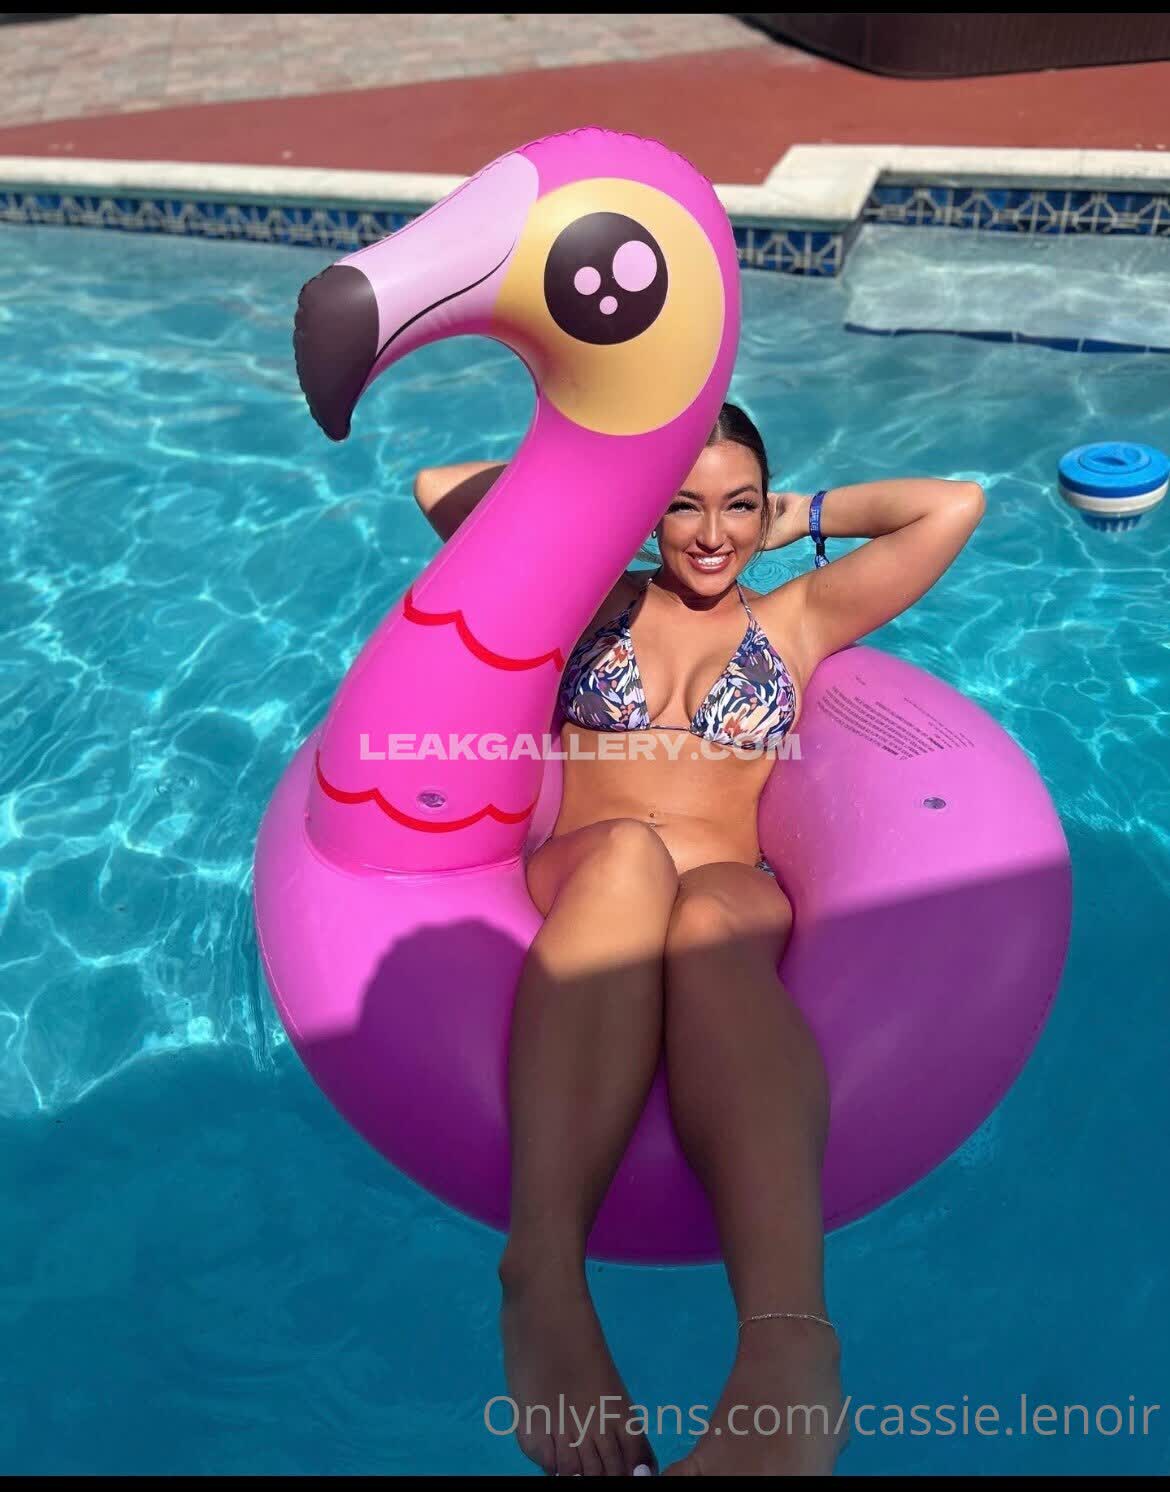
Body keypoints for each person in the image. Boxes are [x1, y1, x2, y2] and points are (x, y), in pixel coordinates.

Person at [413, 404, 985, 1477]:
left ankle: (789, 1349)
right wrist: (620, 488)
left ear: (764, 510)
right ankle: (544, 1278)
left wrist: (798, 517)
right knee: (630, 856)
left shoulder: (796, 618)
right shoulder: (591, 595)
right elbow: (439, 485)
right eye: (683, 507)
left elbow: (951, 506)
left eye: (738, 506)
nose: (712, 535)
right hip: (591, 871)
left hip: (729, 880)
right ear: (649, 512)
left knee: (716, 916)